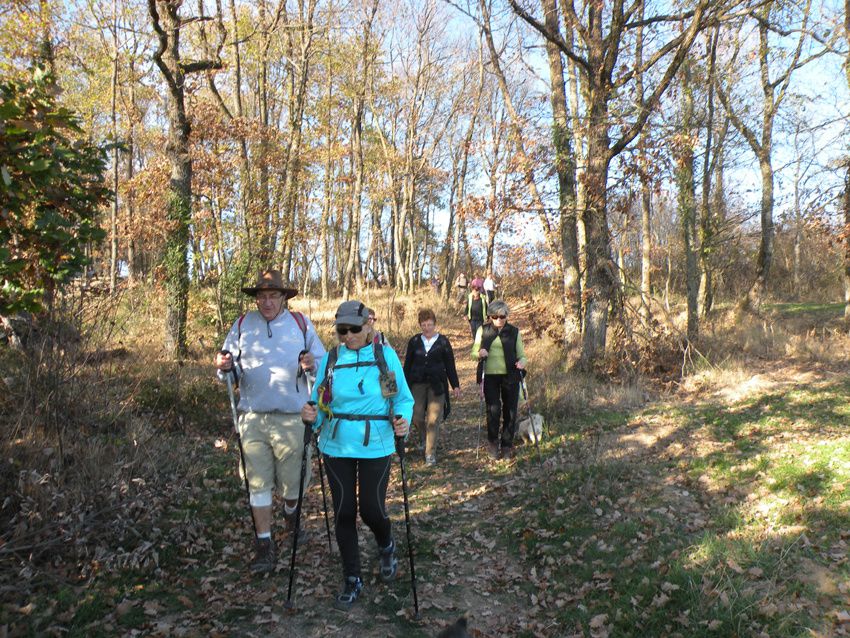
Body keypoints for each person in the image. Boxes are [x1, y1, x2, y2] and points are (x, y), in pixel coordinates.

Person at [300, 300, 414, 611]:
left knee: (372, 510)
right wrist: (312, 414)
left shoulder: (382, 357)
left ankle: (386, 543)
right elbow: (321, 399)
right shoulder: (333, 359)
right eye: (342, 330)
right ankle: (352, 577)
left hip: (376, 444)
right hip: (336, 446)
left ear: (368, 326)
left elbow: (401, 399)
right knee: (344, 512)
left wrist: (402, 419)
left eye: (354, 329)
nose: (348, 335)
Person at [214, 269, 326, 574]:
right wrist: (224, 366)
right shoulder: (241, 326)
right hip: (252, 417)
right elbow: (228, 371)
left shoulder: (300, 325)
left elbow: (322, 367)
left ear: (283, 298)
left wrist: (311, 365)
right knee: (258, 483)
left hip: (292, 417)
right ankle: (264, 545)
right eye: (261, 297)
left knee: (293, 486)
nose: (266, 302)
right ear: (256, 299)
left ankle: (291, 515)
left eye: (273, 296)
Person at [403, 309, 461, 466]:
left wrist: (455, 385)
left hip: (437, 385)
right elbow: (407, 364)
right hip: (418, 383)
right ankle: (424, 436)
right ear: (420, 325)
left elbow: (450, 365)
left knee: (433, 420)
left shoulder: (443, 341)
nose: (427, 328)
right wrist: (403, 385)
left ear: (435, 324)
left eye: (430, 324)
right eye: (424, 325)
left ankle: (430, 454)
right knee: (416, 416)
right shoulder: (414, 341)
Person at [471, 300, 527, 460]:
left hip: (511, 374)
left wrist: (522, 362)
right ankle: (493, 443)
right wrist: (479, 353)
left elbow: (522, 355)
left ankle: (507, 445)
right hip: (489, 375)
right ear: (489, 316)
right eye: (494, 316)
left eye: (502, 316)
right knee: (493, 409)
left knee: (510, 410)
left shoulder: (514, 332)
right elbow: (474, 352)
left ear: (506, 316)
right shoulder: (483, 330)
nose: (498, 320)